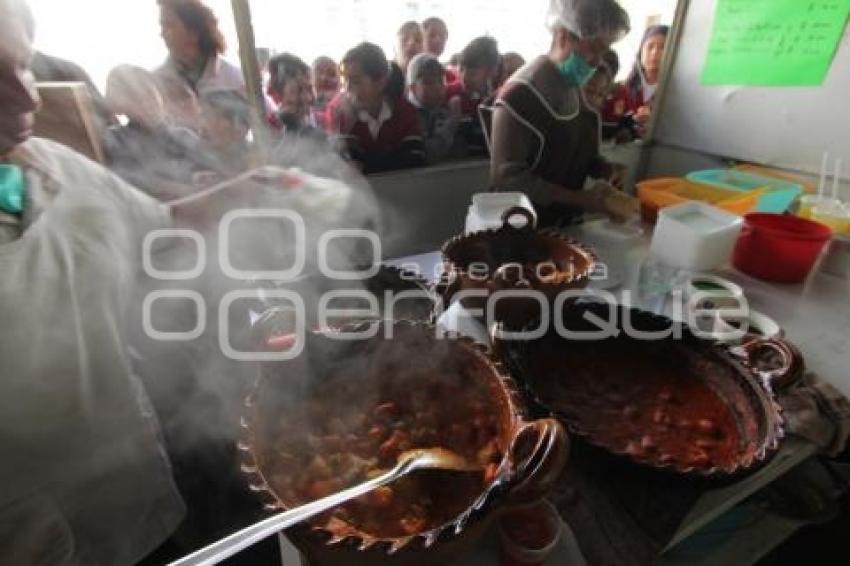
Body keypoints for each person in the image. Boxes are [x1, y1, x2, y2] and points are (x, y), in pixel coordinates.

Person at [484, 0, 637, 227]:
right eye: (594, 48)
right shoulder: (521, 94)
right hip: (518, 228)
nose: (597, 61)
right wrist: (581, 199)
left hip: (562, 225)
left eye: (604, 51)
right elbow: (507, 179)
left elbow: (571, 151)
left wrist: (604, 169)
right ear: (564, 36)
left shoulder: (573, 87)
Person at [103, 64, 202, 200]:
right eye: (134, 96)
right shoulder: (116, 139)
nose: (146, 102)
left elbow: (209, 168)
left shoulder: (184, 136)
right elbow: (126, 178)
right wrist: (174, 188)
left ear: (161, 96)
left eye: (149, 92)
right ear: (118, 105)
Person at [326, 42, 425, 174]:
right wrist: (347, 128)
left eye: (355, 81)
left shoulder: (405, 111)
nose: (347, 89)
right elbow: (339, 168)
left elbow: (414, 161)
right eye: (345, 81)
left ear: (380, 82)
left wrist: (366, 164)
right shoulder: (338, 111)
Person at [154, 0, 245, 130]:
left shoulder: (235, 79)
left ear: (193, 32)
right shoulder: (155, 83)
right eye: (162, 27)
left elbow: (269, 127)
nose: (162, 34)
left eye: (168, 26)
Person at [603, 25, 668, 141]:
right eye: (650, 46)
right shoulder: (620, 89)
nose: (654, 53)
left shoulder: (672, 96)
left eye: (662, 47)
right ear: (641, 51)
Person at [406, 53, 465, 164]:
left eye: (441, 81)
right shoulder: (408, 117)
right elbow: (429, 154)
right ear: (412, 88)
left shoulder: (443, 111)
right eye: (428, 82)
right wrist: (454, 120)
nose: (438, 87)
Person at [446, 36, 500, 155]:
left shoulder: (499, 99)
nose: (464, 77)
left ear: (491, 72)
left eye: (472, 73)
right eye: (461, 69)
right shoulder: (449, 93)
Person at [196, 90, 257, 183]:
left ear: (240, 129)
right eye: (202, 117)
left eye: (211, 118)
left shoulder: (258, 166)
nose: (203, 126)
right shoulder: (198, 163)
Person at [266, 53, 321, 138]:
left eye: (309, 89)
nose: (308, 97)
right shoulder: (271, 125)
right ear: (279, 94)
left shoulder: (322, 119)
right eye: (298, 90)